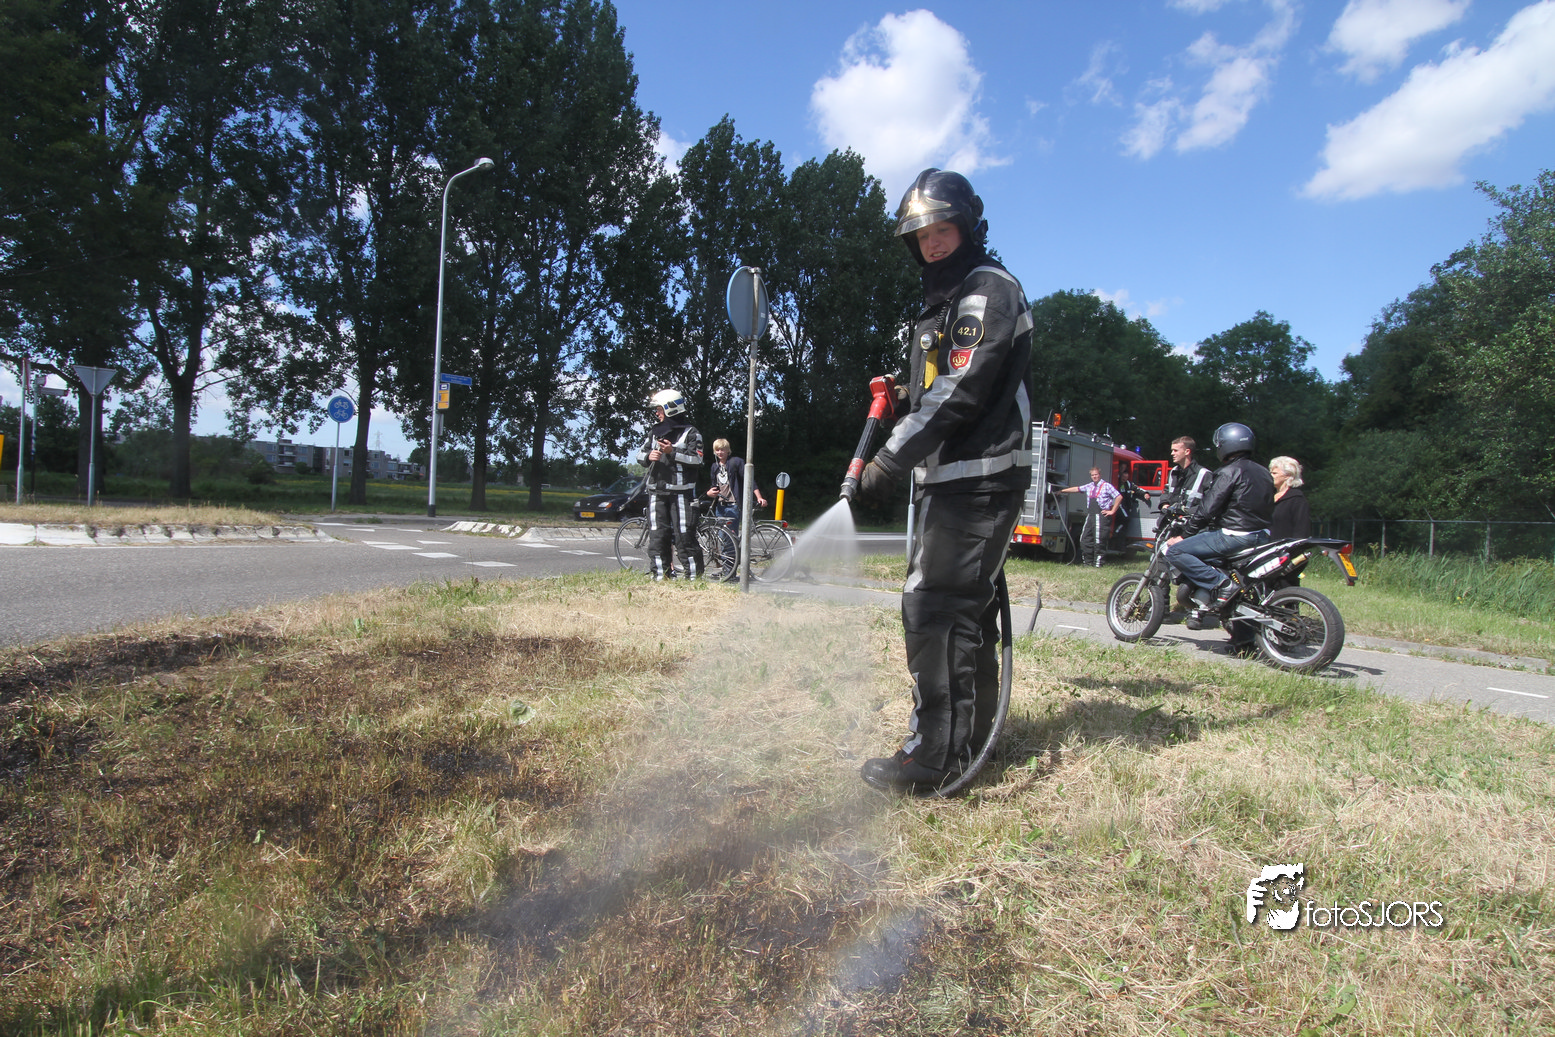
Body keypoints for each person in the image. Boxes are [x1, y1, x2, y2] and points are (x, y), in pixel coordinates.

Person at [851, 167, 1033, 795]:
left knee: (935, 609)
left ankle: (934, 758)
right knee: (961, 614)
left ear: (967, 227)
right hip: (956, 479)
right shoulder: (950, 299)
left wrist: (888, 461)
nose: (930, 243)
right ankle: (967, 744)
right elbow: (946, 383)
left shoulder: (986, 289)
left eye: (942, 230)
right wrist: (906, 393)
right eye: (920, 235)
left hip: (978, 480)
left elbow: (963, 388)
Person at [1165, 422, 1274, 612]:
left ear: (1225, 445)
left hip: (1235, 535)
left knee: (1175, 551)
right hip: (1262, 535)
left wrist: (1184, 535)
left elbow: (1207, 510)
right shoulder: (1264, 472)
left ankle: (1222, 585)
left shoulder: (1228, 472)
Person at [636, 389, 704, 580]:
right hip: (656, 492)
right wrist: (648, 456)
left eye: (659, 409)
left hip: (681, 494)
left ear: (670, 408)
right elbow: (640, 454)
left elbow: (697, 459)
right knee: (657, 537)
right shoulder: (654, 432)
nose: (657, 413)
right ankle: (660, 577)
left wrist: (671, 452)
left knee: (684, 537)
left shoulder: (691, 432)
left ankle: (694, 579)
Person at [1060, 466, 1121, 567]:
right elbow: (1077, 489)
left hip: (1101, 516)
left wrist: (1112, 511)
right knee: (1084, 539)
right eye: (1092, 475)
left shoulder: (1107, 486)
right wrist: (1062, 491)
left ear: (1099, 475)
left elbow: (1119, 497)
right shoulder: (1090, 486)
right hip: (1091, 515)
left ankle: (1098, 564)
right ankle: (1088, 563)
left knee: (1099, 540)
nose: (1094, 477)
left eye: (1096, 474)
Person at [705, 438, 767, 520]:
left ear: (728, 450)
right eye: (717, 450)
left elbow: (749, 480)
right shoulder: (715, 466)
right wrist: (709, 493)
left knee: (732, 528)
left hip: (733, 505)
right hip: (720, 506)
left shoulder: (736, 462)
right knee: (720, 528)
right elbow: (714, 486)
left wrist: (759, 497)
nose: (720, 452)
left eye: (722, 450)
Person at [1269, 456, 1311, 540]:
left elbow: (1302, 531)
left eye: (1274, 473)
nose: (1270, 476)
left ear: (1287, 475)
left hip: (1286, 547)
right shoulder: (1268, 496)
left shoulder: (1297, 499)